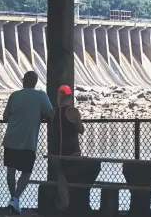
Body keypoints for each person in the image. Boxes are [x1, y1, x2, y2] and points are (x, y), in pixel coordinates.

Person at [2, 71, 53, 214]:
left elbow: (5, 116)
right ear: (36, 82)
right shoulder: (41, 96)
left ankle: (13, 198)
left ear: (23, 81)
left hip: (11, 138)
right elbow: (51, 114)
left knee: (10, 170)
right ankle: (16, 198)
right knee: (26, 171)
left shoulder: (15, 95)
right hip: (28, 141)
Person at [49, 85, 99, 214]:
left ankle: (63, 205)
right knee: (74, 180)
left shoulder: (53, 111)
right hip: (72, 152)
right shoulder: (73, 111)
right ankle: (73, 207)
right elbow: (80, 130)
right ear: (70, 96)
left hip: (56, 153)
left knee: (61, 181)